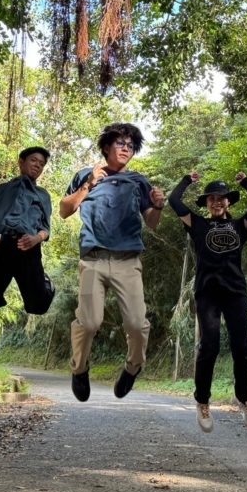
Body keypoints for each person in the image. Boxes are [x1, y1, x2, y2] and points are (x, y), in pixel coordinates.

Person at [59, 122, 166, 402]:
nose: (126, 149)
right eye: (121, 143)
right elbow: (64, 210)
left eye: (131, 146)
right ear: (107, 147)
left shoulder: (138, 182)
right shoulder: (85, 175)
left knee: (136, 324)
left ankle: (133, 368)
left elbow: (152, 223)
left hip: (127, 261)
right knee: (89, 322)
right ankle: (79, 369)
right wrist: (88, 185)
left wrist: (158, 205)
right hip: (93, 259)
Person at [169, 171, 247, 433]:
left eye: (221, 198)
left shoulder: (239, 227)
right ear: (207, 204)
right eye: (211, 199)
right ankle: (202, 401)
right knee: (208, 347)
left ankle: (245, 398)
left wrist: (246, 182)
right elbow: (174, 201)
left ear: (228, 202)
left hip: (235, 292)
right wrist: (187, 179)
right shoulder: (197, 225)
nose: (216, 202)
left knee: (241, 346)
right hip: (208, 293)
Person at [0, 146, 54, 315]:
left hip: (27, 247)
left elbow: (45, 229)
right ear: (21, 162)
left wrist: (36, 239)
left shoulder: (42, 195)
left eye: (41, 164)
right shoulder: (1, 190)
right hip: (1, 247)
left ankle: (45, 283)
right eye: (33, 160)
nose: (38, 166)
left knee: (38, 307)